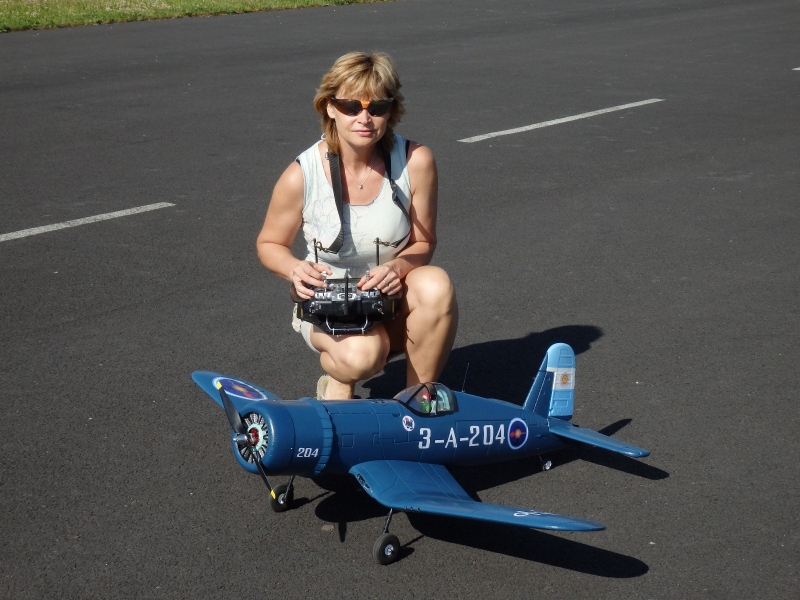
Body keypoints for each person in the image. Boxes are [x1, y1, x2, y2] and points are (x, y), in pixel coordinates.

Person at [256, 52, 458, 400]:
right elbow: (269, 243)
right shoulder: (302, 174)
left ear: (391, 111)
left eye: (377, 107)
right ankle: (337, 383)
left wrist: (397, 267)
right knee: (363, 356)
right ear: (329, 107)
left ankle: (417, 401)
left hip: (390, 301)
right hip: (331, 308)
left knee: (436, 284)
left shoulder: (415, 161)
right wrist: (294, 270)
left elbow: (424, 244)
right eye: (351, 106)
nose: (364, 118)